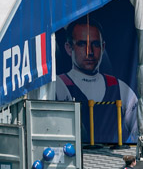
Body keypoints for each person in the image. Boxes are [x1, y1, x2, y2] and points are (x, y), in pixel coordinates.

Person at [55, 18, 138, 146]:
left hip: (112, 156)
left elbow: (139, 128)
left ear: (103, 47)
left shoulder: (118, 86)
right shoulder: (59, 86)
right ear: (68, 47)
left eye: (95, 44)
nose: (90, 52)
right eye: (82, 44)